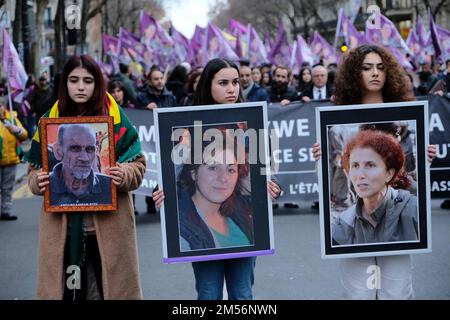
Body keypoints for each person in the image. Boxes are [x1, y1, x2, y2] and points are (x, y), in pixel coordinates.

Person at [312, 44, 436, 300]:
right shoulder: (337, 118)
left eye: (380, 67)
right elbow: (331, 177)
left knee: (397, 290)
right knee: (358, 292)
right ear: (354, 74)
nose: (375, 73)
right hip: (355, 223)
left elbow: (412, 171)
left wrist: (427, 159)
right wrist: (320, 157)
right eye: (367, 68)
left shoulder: (404, 116)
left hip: (396, 223)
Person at [152, 58, 281, 300]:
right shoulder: (186, 125)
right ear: (207, 85)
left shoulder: (250, 121)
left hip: (245, 224)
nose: (232, 88)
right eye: (223, 83)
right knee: (209, 292)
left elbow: (268, 170)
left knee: (242, 293)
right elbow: (172, 173)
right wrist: (161, 190)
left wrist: (274, 187)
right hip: (202, 229)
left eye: (235, 82)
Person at [24, 54, 146, 300]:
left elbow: (138, 167)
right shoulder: (49, 121)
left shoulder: (117, 118)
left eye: (88, 81)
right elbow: (33, 173)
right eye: (74, 80)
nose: (80, 87)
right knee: (70, 294)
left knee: (110, 292)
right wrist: (37, 182)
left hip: (110, 232)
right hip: (64, 233)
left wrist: (124, 174)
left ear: (97, 84)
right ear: (64, 84)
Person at [332, 130, 419, 245]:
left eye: (370, 165)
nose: (360, 175)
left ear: (389, 174)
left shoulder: (414, 210)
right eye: (355, 165)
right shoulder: (343, 222)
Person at [177, 128, 253, 251]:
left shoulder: (240, 210)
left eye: (231, 170)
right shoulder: (179, 227)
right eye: (213, 168)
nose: (223, 178)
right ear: (193, 173)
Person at [49, 124, 111, 206]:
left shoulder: (108, 185)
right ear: (58, 151)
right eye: (75, 148)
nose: (85, 158)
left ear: (96, 151)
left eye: (90, 149)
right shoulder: (47, 183)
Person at [0, 103, 28, 220]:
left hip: (11, 159)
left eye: (0, 105)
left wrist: (15, 129)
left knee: (7, 188)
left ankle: (5, 211)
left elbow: (24, 135)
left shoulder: (11, 117)